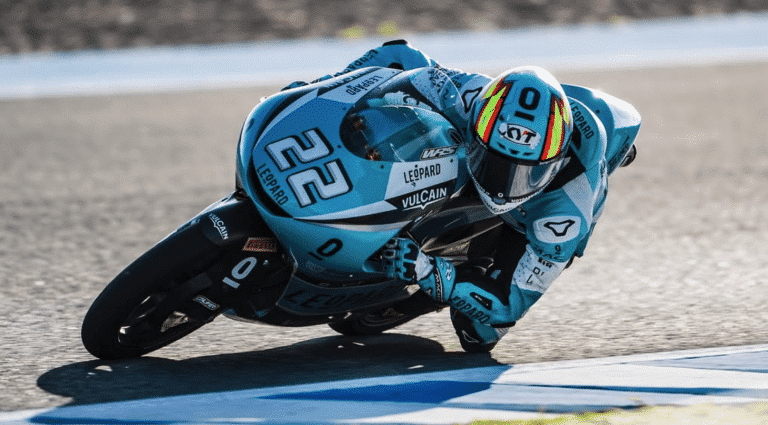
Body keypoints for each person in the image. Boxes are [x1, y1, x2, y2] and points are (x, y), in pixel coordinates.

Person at [289, 40, 641, 353]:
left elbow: (507, 307)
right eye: (495, 163)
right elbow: (399, 54)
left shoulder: (567, 210)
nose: (503, 187)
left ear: (554, 162)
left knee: (479, 335)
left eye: (525, 173)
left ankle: (454, 276)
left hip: (532, 215)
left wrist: (429, 272)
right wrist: (316, 91)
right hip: (481, 153)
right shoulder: (470, 96)